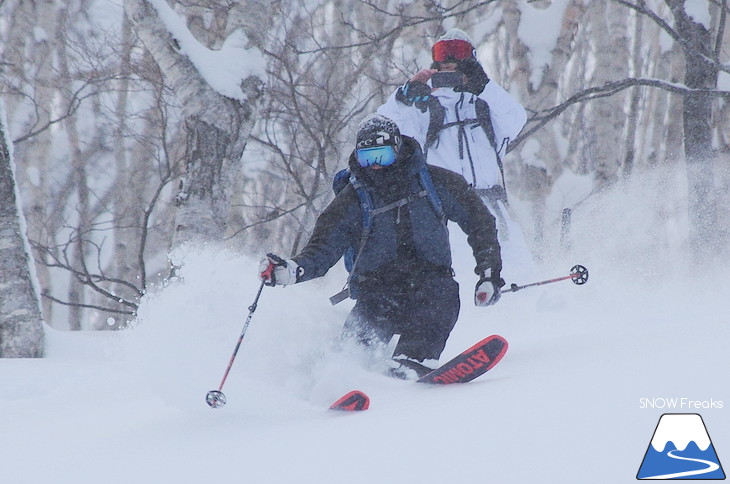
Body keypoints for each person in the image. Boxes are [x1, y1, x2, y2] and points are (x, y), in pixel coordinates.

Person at [258, 114, 503, 379]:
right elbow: (321, 249)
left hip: (431, 285)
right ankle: (329, 382)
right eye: (367, 158)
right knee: (351, 355)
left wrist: (489, 275)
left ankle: (409, 364)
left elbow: (480, 223)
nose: (375, 166)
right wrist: (292, 270)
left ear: (397, 150)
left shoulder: (437, 183)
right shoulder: (352, 200)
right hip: (376, 293)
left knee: (440, 299)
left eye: (382, 156)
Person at [377, 28, 532, 278]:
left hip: (493, 210)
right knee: (453, 279)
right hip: (446, 213)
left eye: (457, 57)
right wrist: (404, 96)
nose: (449, 63)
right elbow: (381, 131)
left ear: (471, 62)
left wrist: (484, 87)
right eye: (443, 58)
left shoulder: (487, 107)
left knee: (517, 273)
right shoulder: (423, 110)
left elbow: (517, 119)